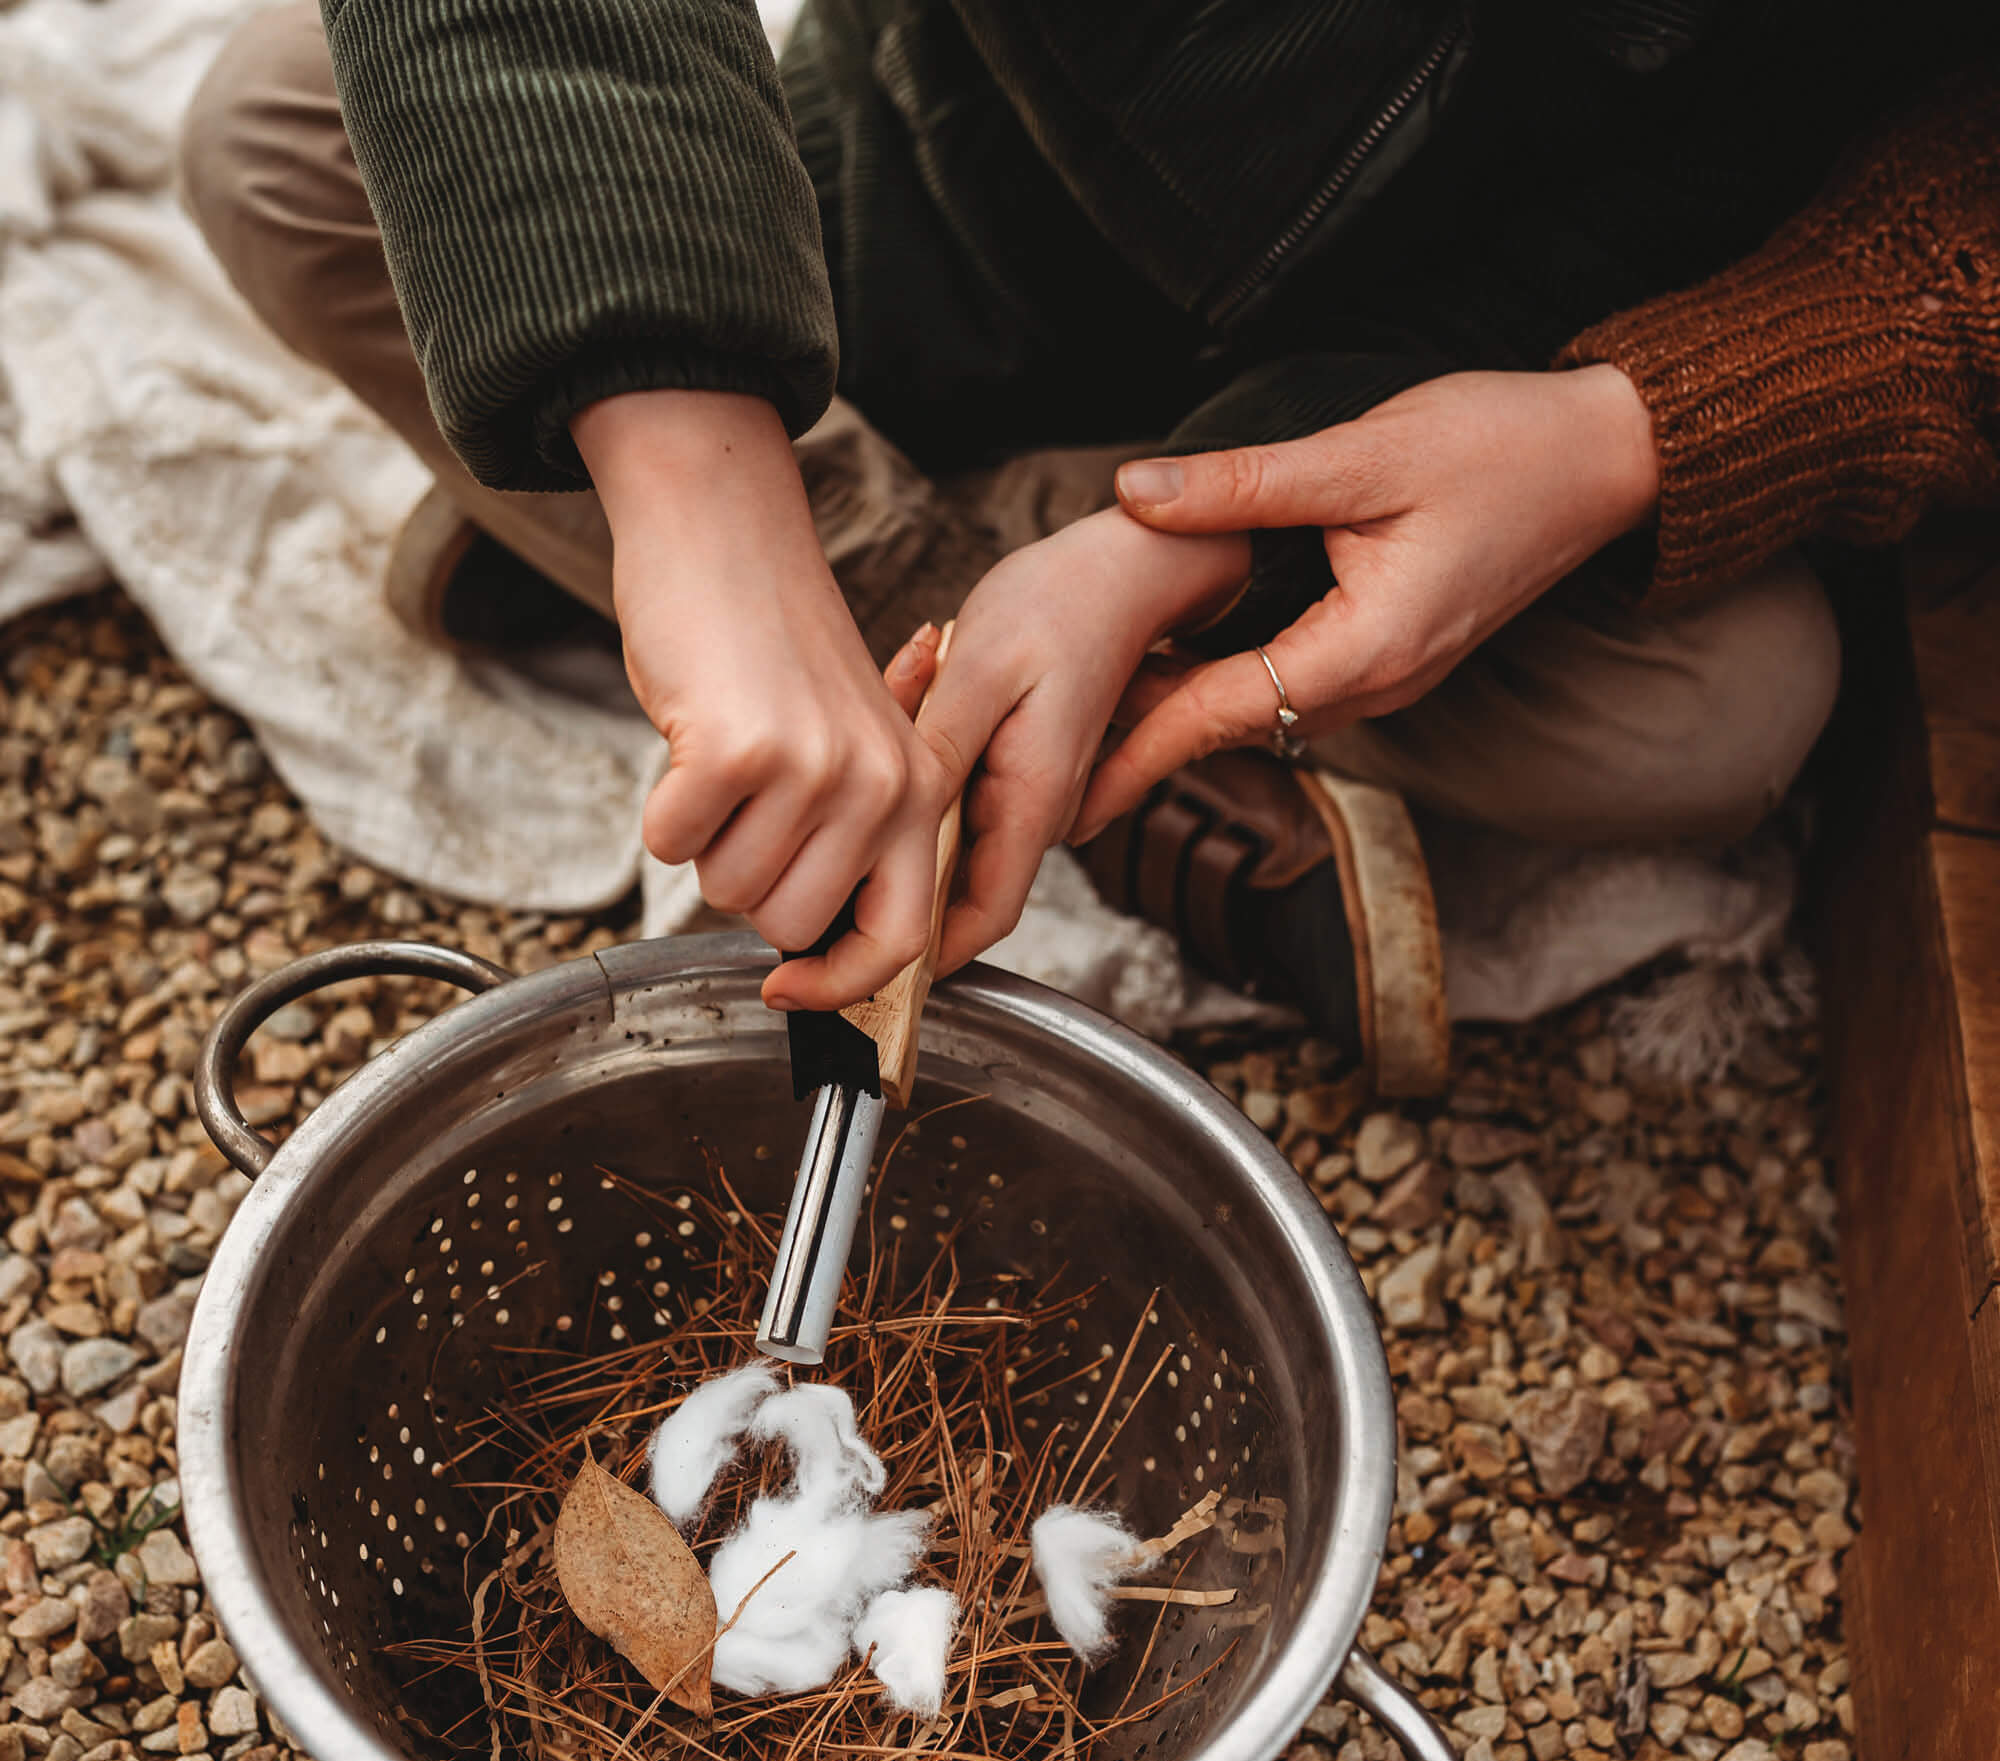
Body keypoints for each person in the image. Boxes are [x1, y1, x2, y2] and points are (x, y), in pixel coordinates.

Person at [181, 0, 1999, 1092]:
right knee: (277, 129)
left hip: (1468, 390)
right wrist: (696, 483)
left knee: (1726, 713)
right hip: (922, 200)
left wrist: (1641, 428)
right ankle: (968, 641)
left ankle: (684, 545)